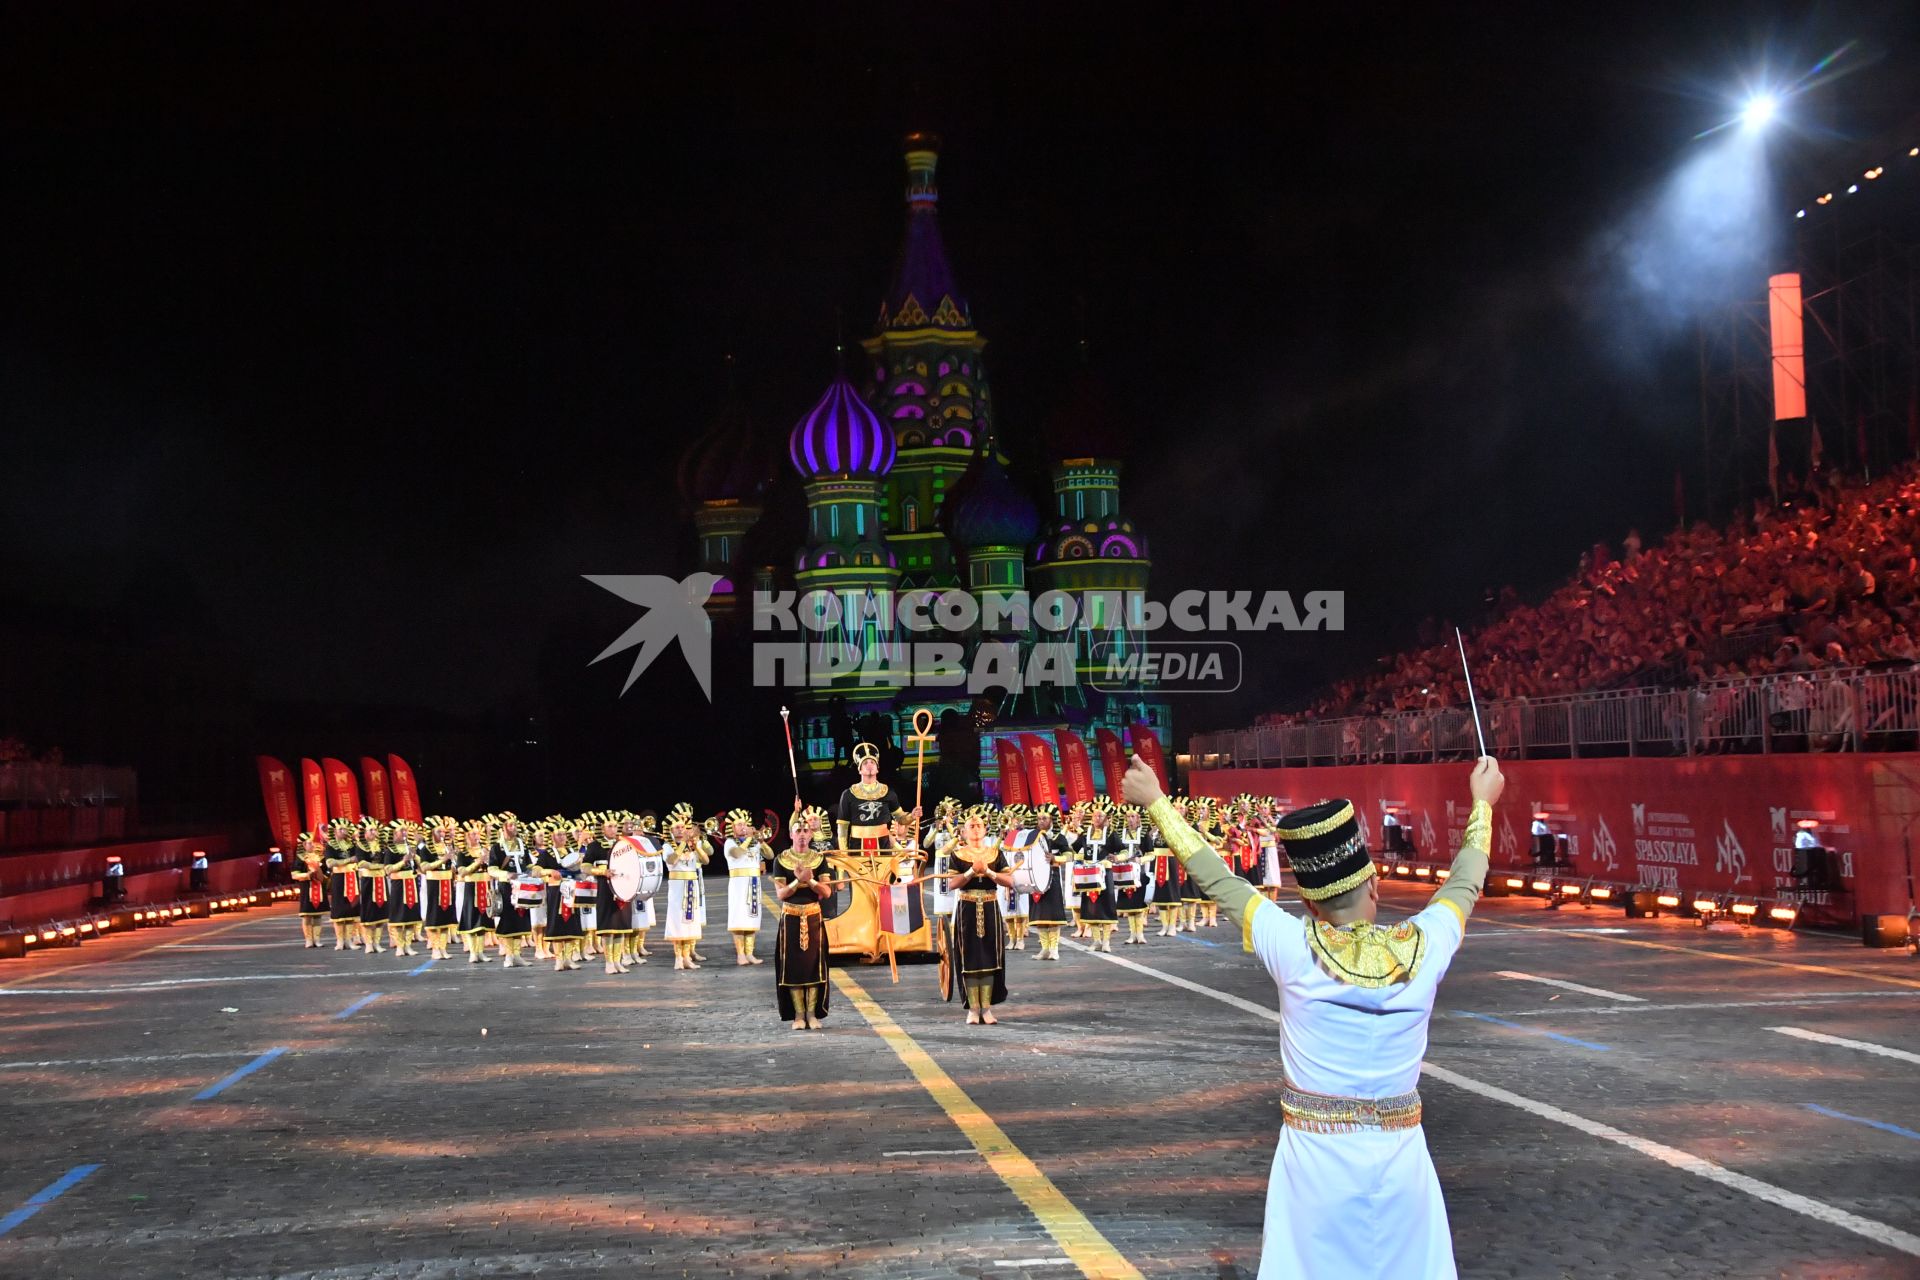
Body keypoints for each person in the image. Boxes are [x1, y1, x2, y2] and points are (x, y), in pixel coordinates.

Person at [1123, 753, 1504, 1280]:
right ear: (1374, 885)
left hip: (1315, 1168)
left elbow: (1219, 880)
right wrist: (1482, 803)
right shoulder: (1426, 946)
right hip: (1403, 1167)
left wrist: (1157, 805)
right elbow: (1464, 884)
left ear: (1308, 902)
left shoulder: (1294, 948)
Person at [944, 805, 1014, 1025]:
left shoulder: (995, 853)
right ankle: (973, 1008)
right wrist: (972, 871)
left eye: (979, 825)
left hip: (991, 905)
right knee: (970, 958)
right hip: (967, 907)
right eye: (971, 826)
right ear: (963, 832)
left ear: (986, 830)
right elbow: (952, 883)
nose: (975, 828)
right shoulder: (957, 855)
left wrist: (989, 871)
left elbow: (1009, 880)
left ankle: (987, 1008)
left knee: (990, 956)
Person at [773, 814, 833, 1029]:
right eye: (798, 831)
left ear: (811, 834)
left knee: (813, 967)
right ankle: (798, 1014)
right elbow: (781, 895)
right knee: (793, 968)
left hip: (813, 916)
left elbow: (826, 891)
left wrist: (811, 880)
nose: (802, 835)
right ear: (791, 834)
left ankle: (811, 1014)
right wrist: (799, 880)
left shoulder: (819, 859)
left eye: (806, 831)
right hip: (790, 917)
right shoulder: (780, 860)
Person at [723, 809, 771, 966]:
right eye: (739, 825)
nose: (743, 827)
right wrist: (748, 839)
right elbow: (736, 854)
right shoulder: (730, 843)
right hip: (738, 885)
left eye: (745, 824)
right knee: (739, 919)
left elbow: (770, 855)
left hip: (754, 884)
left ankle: (750, 953)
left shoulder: (754, 843)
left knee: (752, 918)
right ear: (733, 828)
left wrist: (762, 842)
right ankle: (740, 955)